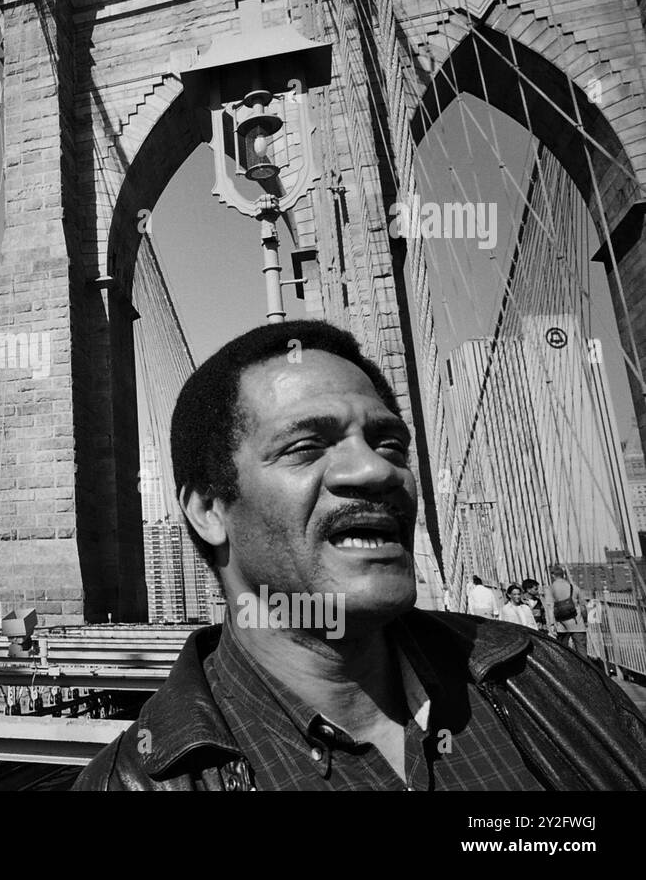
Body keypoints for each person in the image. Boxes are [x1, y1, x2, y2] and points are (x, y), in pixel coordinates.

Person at [74, 319, 646, 791]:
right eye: (305, 446)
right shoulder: (131, 783)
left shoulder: (549, 680)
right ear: (207, 509)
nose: (375, 469)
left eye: (390, 443)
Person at [544, 566, 589, 658]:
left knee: (562, 652)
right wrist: (585, 620)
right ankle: (584, 670)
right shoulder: (574, 587)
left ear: (552, 576)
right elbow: (583, 607)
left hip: (560, 625)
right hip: (577, 623)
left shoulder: (550, 589)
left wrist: (552, 624)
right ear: (563, 575)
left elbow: (550, 607)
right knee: (582, 651)